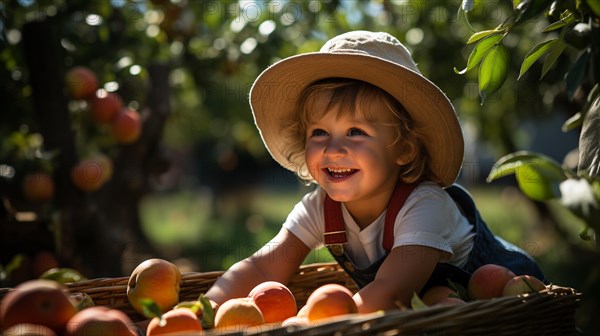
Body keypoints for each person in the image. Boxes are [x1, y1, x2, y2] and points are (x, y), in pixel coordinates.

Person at [204, 30, 545, 313]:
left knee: (442, 301)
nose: (333, 148)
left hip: (504, 296)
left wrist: (315, 324)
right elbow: (263, 267)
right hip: (427, 312)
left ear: (403, 149)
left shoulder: (425, 204)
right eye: (319, 132)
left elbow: (390, 291)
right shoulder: (319, 208)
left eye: (356, 132)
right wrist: (203, 310)